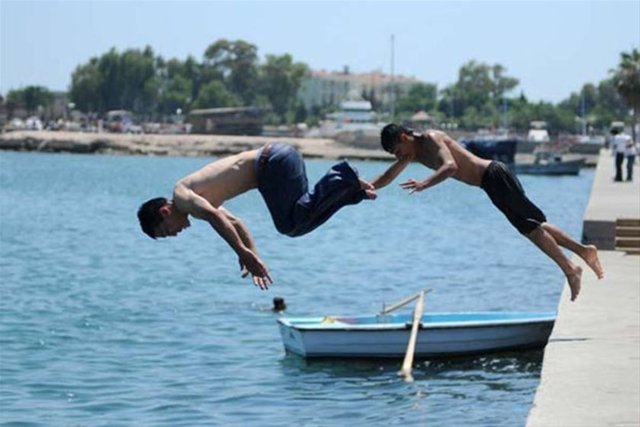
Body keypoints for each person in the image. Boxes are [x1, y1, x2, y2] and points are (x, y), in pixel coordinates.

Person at [372, 124, 604, 301]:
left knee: (531, 229)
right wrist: (366, 188)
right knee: (535, 225)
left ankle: (571, 269)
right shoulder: (412, 153)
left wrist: (424, 184)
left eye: (397, 151)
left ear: (404, 137)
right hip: (490, 183)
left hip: (494, 175)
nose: (398, 156)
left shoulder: (431, 138)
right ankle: (584, 252)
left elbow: (450, 166)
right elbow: (389, 175)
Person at [138, 143, 377, 289]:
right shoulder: (193, 203)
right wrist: (253, 255)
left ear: (165, 211)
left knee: (289, 224)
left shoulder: (181, 195)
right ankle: (350, 192)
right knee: (298, 223)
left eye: (167, 231)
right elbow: (235, 222)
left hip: (273, 164)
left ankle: (341, 176)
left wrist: (243, 253)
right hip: (280, 160)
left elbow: (216, 218)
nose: (175, 234)